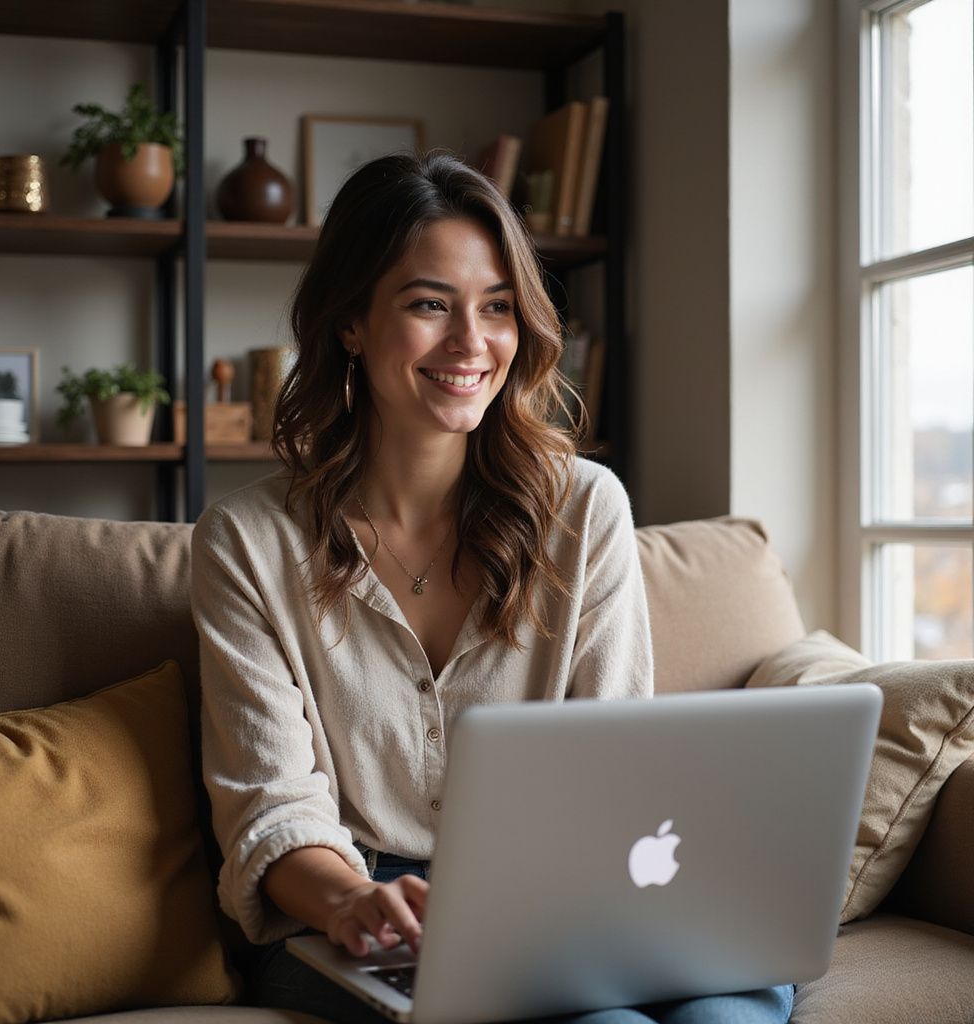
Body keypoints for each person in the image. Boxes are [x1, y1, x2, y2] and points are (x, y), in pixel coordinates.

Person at [190, 151, 794, 1024]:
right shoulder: (247, 543)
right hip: (363, 908)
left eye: (498, 307)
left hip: (570, 886)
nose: (473, 344)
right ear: (350, 322)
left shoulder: (584, 508)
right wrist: (352, 902)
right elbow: (270, 806)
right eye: (430, 303)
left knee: (724, 1015)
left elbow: (618, 759)